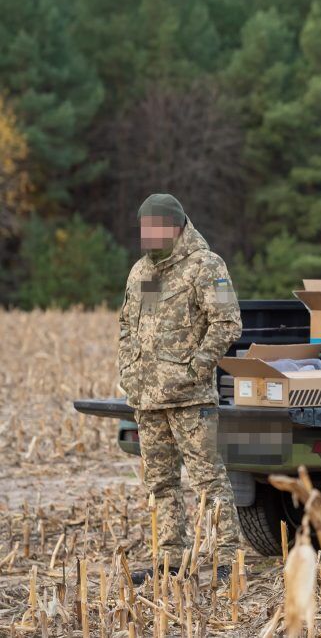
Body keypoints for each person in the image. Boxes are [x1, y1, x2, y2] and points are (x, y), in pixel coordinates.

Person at [119, 194, 242, 584]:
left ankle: (227, 561)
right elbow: (129, 325)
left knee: (208, 479)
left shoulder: (207, 266)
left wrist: (195, 368)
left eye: (154, 228)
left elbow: (227, 323)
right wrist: (128, 367)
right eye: (143, 228)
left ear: (174, 227)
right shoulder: (143, 272)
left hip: (190, 399)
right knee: (160, 483)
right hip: (148, 399)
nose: (147, 235)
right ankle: (169, 559)